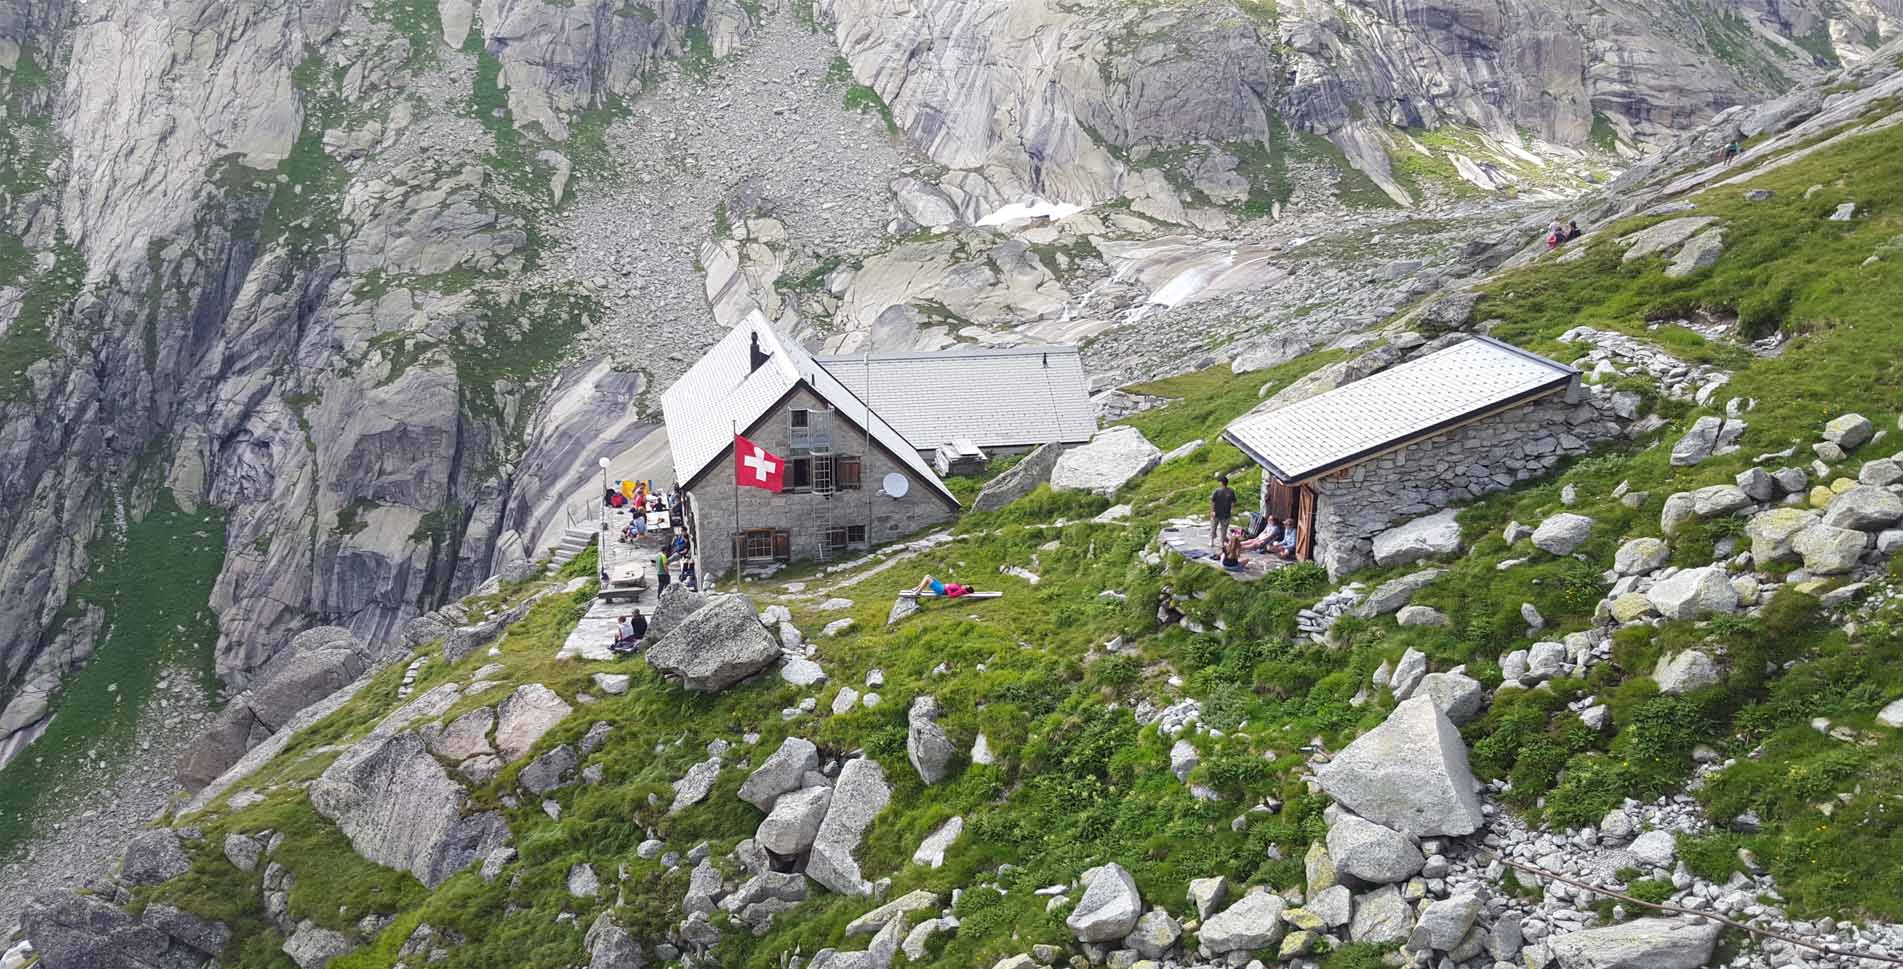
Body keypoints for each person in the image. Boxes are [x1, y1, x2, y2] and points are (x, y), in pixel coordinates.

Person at [1210, 475, 1237, 549]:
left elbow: (1212, 501)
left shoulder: (1217, 491)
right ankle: (1221, 544)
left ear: (1221, 483)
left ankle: (1212, 541)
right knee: (1223, 529)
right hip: (1226, 513)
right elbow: (1234, 502)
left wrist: (1212, 511)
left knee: (1213, 527)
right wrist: (1231, 509)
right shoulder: (1231, 491)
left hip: (1217, 513)